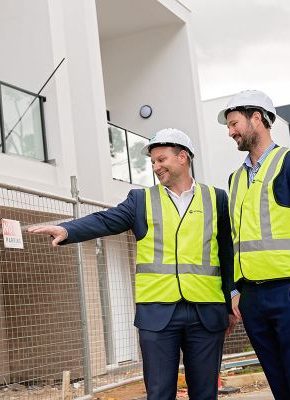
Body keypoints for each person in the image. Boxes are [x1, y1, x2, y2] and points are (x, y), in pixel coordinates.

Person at [29, 128, 236, 400]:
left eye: (161, 159)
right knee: (160, 393)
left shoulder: (216, 198)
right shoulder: (141, 200)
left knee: (205, 393)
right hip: (157, 314)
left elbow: (226, 253)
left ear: (183, 157)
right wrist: (67, 230)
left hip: (206, 312)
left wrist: (230, 300)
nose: (155, 167)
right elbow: (105, 220)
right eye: (152, 162)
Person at [218, 90, 290, 400]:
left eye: (234, 123)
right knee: (279, 385)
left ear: (258, 119)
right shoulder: (235, 178)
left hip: (289, 292)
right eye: (228, 126)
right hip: (252, 298)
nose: (231, 132)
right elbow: (234, 240)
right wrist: (236, 290)